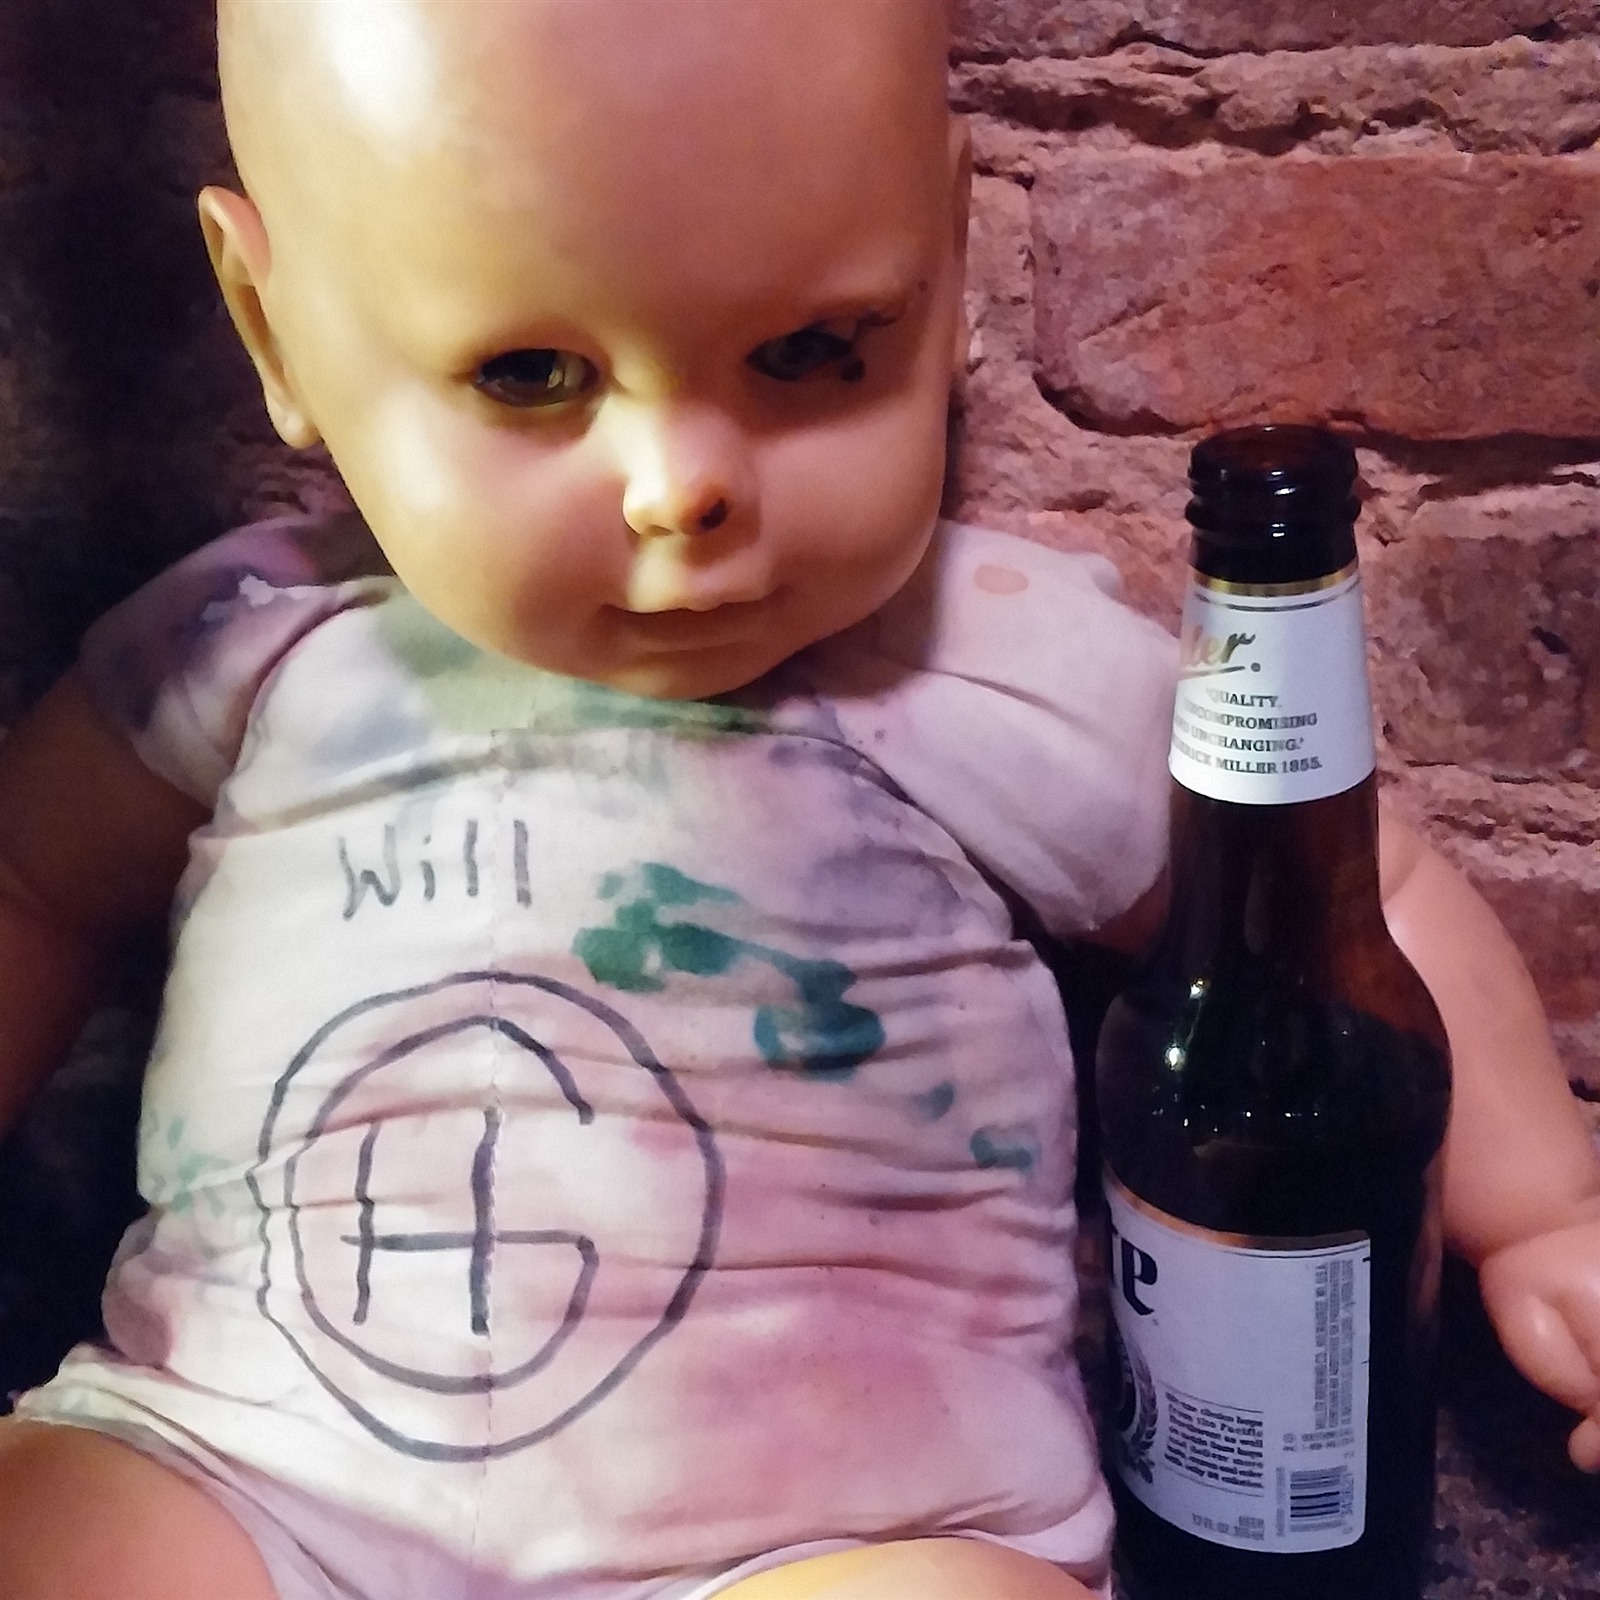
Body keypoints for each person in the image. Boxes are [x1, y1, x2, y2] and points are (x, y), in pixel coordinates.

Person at [0, 3, 1595, 1597]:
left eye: (809, 353)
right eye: (530, 374)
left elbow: (1344, 900)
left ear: (949, 275)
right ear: (273, 329)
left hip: (837, 1529)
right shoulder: (250, 649)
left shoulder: (988, 666)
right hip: (242, 1473)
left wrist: (1544, 1208)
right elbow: (30, 882)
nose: (680, 488)